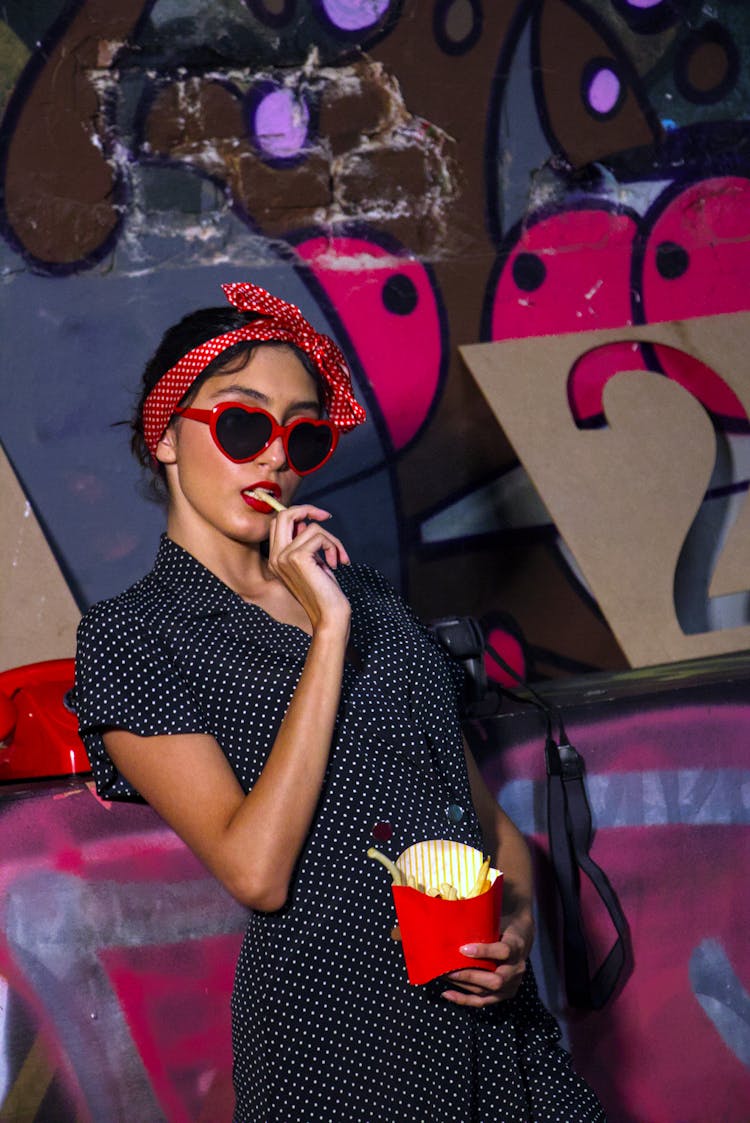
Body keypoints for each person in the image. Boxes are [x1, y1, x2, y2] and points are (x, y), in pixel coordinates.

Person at [73, 282, 605, 1122]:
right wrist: (326, 635)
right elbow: (256, 871)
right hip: (342, 1053)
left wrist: (518, 926)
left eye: (302, 433)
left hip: (496, 1042)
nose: (274, 456)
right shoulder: (137, 636)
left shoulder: (373, 600)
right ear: (167, 434)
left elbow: (486, 822)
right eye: (244, 423)